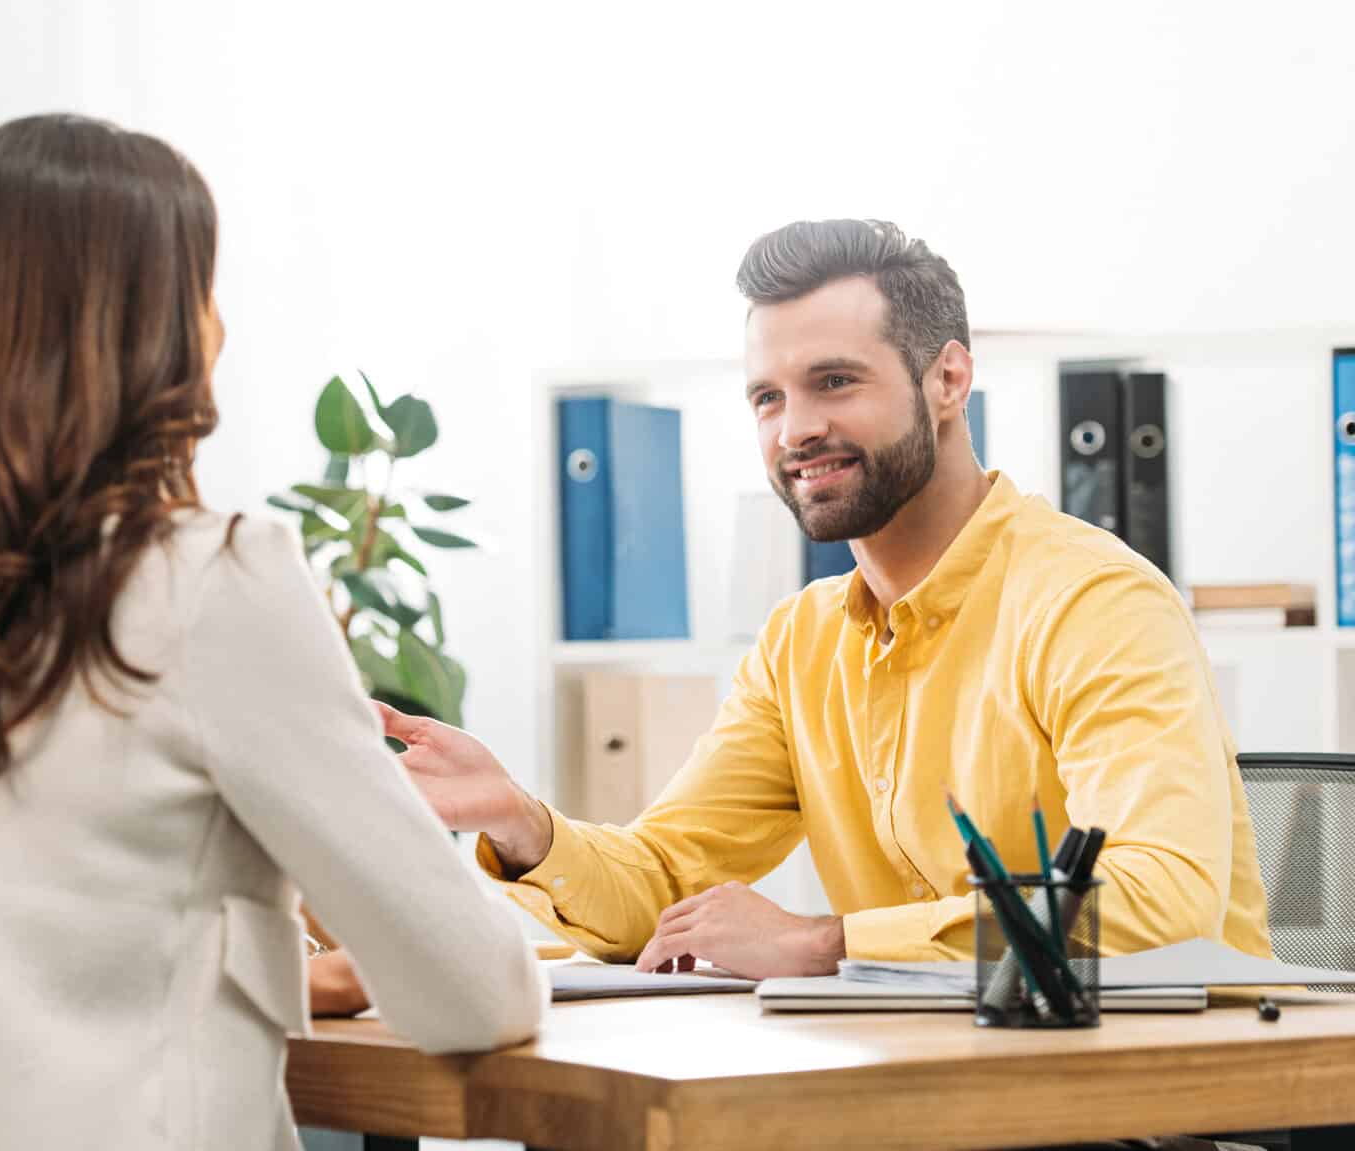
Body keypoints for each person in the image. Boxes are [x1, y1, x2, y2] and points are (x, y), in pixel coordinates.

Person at [0, 113, 542, 1151]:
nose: (218, 324)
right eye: (201, 290)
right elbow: (476, 992)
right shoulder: (210, 579)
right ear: (162, 330)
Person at [382, 219, 1272, 980]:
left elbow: (1163, 901)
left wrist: (826, 942)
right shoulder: (800, 644)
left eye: (834, 381)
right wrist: (519, 822)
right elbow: (663, 882)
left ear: (949, 380)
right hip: (932, 1081)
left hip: (1155, 1091)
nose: (795, 428)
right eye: (768, 397)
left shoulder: (1093, 602)